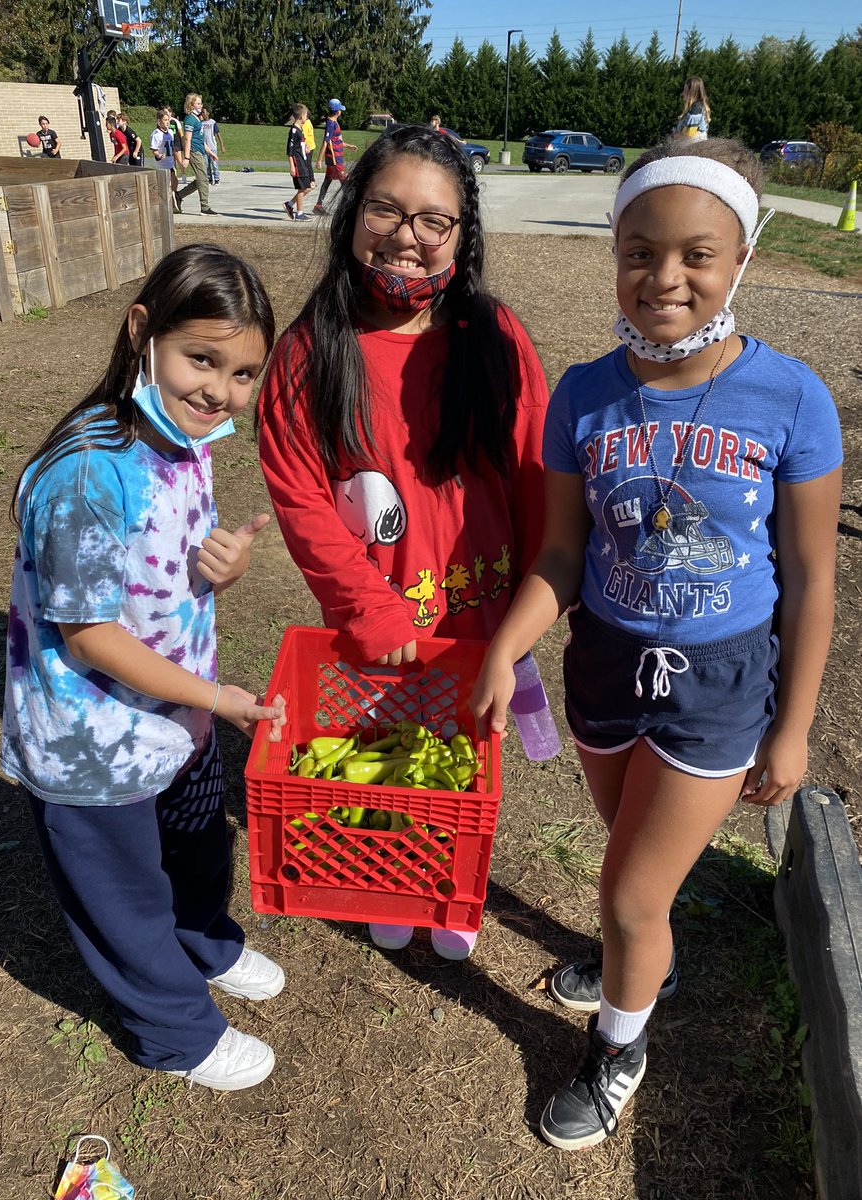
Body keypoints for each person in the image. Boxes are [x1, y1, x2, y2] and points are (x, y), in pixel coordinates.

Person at [471, 136, 842, 1150]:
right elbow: (557, 552)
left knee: (630, 892)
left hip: (719, 685)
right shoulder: (583, 395)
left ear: (742, 257)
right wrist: (508, 647)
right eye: (640, 251)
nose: (664, 277)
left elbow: (811, 577)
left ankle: (620, 1044)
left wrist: (795, 727)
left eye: (696, 254)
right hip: (603, 668)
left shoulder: (794, 399)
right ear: (616, 253)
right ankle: (649, 954)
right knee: (636, 873)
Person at [2, 244, 289, 1093]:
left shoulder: (181, 439)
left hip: (171, 717)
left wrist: (215, 567)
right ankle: (174, 1031)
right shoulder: (89, 472)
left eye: (242, 373)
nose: (221, 391)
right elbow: (89, 633)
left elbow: (153, 568)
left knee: (196, 845)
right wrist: (213, 696)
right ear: (143, 334)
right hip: (94, 740)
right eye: (202, 359)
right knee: (122, 895)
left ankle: (202, 941)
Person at [259, 124, 550, 959]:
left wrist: (535, 597)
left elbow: (534, 472)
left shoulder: (494, 338)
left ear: (464, 234)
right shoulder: (310, 353)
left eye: (435, 221)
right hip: (381, 627)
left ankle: (451, 891)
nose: (409, 237)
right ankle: (391, 879)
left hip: (483, 619)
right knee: (384, 757)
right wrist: (372, 614)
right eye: (386, 209)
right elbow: (304, 501)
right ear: (352, 214)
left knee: (465, 766)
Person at [313, 99, 357, 216]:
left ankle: (318, 206)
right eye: (340, 110)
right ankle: (350, 207)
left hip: (337, 156)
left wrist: (349, 146)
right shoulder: (331, 124)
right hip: (334, 158)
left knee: (328, 180)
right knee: (344, 181)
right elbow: (326, 142)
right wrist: (319, 160)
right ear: (337, 111)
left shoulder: (334, 122)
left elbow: (337, 141)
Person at [177, 93, 217, 216]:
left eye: (201, 103)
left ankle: (178, 196)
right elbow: (187, 139)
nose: (201, 105)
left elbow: (200, 138)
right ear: (191, 105)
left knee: (201, 178)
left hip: (200, 150)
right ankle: (204, 207)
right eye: (198, 103)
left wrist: (210, 152)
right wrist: (187, 157)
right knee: (203, 179)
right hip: (193, 151)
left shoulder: (196, 119)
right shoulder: (190, 119)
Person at [284, 103, 314, 221]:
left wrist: (305, 148)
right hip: (297, 163)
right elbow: (290, 151)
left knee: (307, 187)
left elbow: (299, 146)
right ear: (301, 116)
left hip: (303, 161)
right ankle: (300, 213)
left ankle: (290, 205)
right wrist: (291, 166)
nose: (307, 117)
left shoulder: (300, 130)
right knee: (302, 188)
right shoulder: (294, 131)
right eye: (306, 114)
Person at [150, 108, 181, 212]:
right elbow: (154, 150)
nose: (167, 122)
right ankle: (167, 203)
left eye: (168, 120)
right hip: (162, 164)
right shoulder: (156, 134)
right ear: (159, 121)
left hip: (170, 161)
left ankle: (174, 197)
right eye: (165, 120)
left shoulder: (171, 132)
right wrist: (159, 155)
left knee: (174, 180)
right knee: (165, 184)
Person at [201, 106, 224, 185]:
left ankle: (217, 179)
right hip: (205, 148)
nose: (202, 114)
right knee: (206, 164)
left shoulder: (212, 122)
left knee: (214, 164)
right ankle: (209, 178)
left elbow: (218, 134)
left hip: (212, 147)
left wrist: (222, 146)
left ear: (208, 113)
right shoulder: (201, 123)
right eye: (202, 112)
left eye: (204, 112)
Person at [300, 104, 316, 189]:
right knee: (307, 164)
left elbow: (304, 137)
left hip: (308, 147)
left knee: (307, 164)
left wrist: (305, 146)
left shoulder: (306, 124)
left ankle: (311, 180)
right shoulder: (308, 122)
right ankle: (309, 180)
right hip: (310, 146)